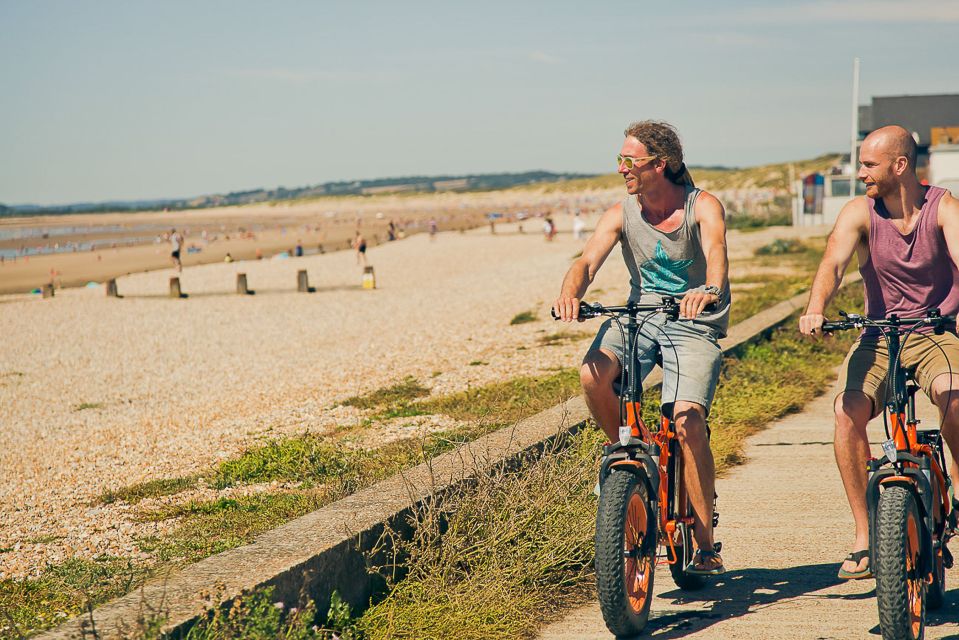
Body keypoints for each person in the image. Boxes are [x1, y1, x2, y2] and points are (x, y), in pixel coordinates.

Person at [554, 120, 730, 575]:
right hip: (640, 316)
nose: (622, 169)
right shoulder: (621, 212)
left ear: (661, 164)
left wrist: (709, 288)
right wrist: (570, 292)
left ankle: (706, 540)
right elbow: (586, 261)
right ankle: (632, 454)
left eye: (630, 161)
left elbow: (716, 252)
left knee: (688, 419)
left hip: (693, 320)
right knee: (592, 374)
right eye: (620, 160)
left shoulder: (702, 205)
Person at [799, 125, 959, 580]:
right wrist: (815, 308)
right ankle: (865, 535)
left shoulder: (944, 208)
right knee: (847, 411)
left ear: (900, 165)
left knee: (954, 396)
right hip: (879, 336)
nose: (861, 173)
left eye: (869, 165)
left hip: (936, 332)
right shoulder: (859, 212)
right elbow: (832, 262)